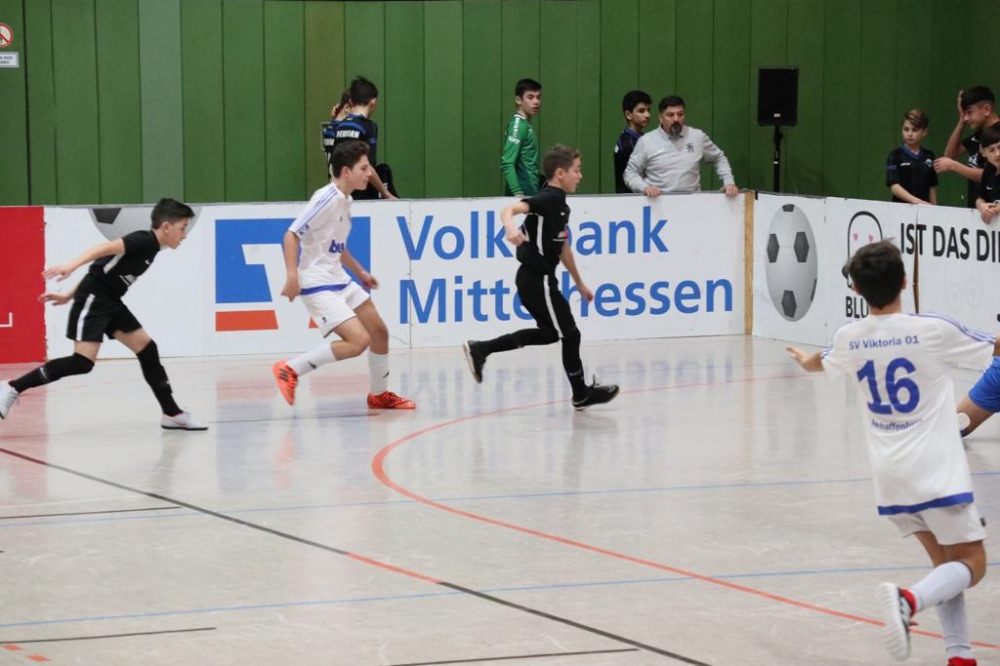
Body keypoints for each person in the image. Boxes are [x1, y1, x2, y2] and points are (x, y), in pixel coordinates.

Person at [786, 240, 995, 665]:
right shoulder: (933, 330)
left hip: (890, 476)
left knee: (946, 564)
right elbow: (994, 348)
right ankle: (908, 600)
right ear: (904, 282)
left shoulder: (849, 336)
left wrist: (806, 361)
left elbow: (823, 362)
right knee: (972, 564)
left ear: (856, 290)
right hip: (937, 472)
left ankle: (960, 655)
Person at [0, 199, 207, 430]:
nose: (184, 235)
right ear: (166, 226)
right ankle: (12, 387)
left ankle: (172, 413)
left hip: (111, 302)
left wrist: (67, 295)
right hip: (95, 300)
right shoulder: (142, 240)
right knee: (82, 362)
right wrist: (70, 266)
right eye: (183, 228)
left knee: (147, 349)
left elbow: (101, 268)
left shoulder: (152, 249)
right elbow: (102, 250)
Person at [464, 145, 619, 410]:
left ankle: (482, 349)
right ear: (560, 173)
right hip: (538, 279)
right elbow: (509, 210)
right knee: (570, 335)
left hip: (537, 280)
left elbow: (563, 248)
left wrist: (579, 283)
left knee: (549, 334)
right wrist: (510, 228)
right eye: (577, 170)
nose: (580, 176)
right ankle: (581, 394)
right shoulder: (548, 199)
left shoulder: (560, 205)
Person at [272, 140, 415, 411]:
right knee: (359, 341)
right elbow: (291, 235)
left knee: (379, 332)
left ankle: (378, 395)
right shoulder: (326, 198)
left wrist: (360, 271)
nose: (370, 173)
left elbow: (336, 244)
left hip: (339, 278)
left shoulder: (345, 199)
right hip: (318, 283)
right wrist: (292, 277)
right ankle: (290, 369)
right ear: (347, 172)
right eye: (364, 168)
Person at [624, 95, 738, 197]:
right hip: (658, 203)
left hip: (693, 202)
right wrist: (645, 188)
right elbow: (630, 173)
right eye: (670, 115)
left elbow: (719, 158)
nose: (676, 119)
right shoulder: (646, 141)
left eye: (680, 114)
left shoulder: (697, 136)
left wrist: (729, 182)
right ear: (660, 117)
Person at [326, 76, 397, 200]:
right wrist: (386, 193)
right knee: (384, 170)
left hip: (341, 193)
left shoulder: (339, 126)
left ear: (351, 101)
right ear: (373, 102)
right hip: (360, 195)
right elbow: (368, 166)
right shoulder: (368, 126)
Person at [934, 87, 1000, 207]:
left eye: (969, 112)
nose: (966, 117)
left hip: (994, 209)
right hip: (978, 206)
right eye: (964, 113)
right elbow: (950, 154)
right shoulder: (979, 135)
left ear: (986, 109)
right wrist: (961, 121)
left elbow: (990, 174)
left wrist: (954, 166)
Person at [501, 78, 543, 197]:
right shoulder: (518, 125)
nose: (536, 102)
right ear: (518, 100)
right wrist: (517, 193)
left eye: (538, 97)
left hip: (531, 191)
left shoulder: (525, 125)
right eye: (530, 97)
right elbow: (507, 162)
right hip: (524, 193)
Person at [886, 109, 938, 205]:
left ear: (924, 132)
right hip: (900, 210)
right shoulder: (895, 155)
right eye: (906, 129)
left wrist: (934, 209)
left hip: (924, 211)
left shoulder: (929, 156)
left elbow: (932, 187)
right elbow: (894, 187)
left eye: (914, 130)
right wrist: (917, 202)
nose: (909, 134)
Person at [614, 90, 652, 194]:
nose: (647, 115)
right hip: (631, 199)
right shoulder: (628, 144)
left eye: (648, 110)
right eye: (641, 111)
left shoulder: (639, 138)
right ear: (628, 114)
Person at [971, 123, 1000, 223]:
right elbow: (980, 197)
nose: (997, 154)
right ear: (983, 152)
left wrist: (995, 210)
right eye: (991, 150)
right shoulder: (989, 170)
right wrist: (981, 206)